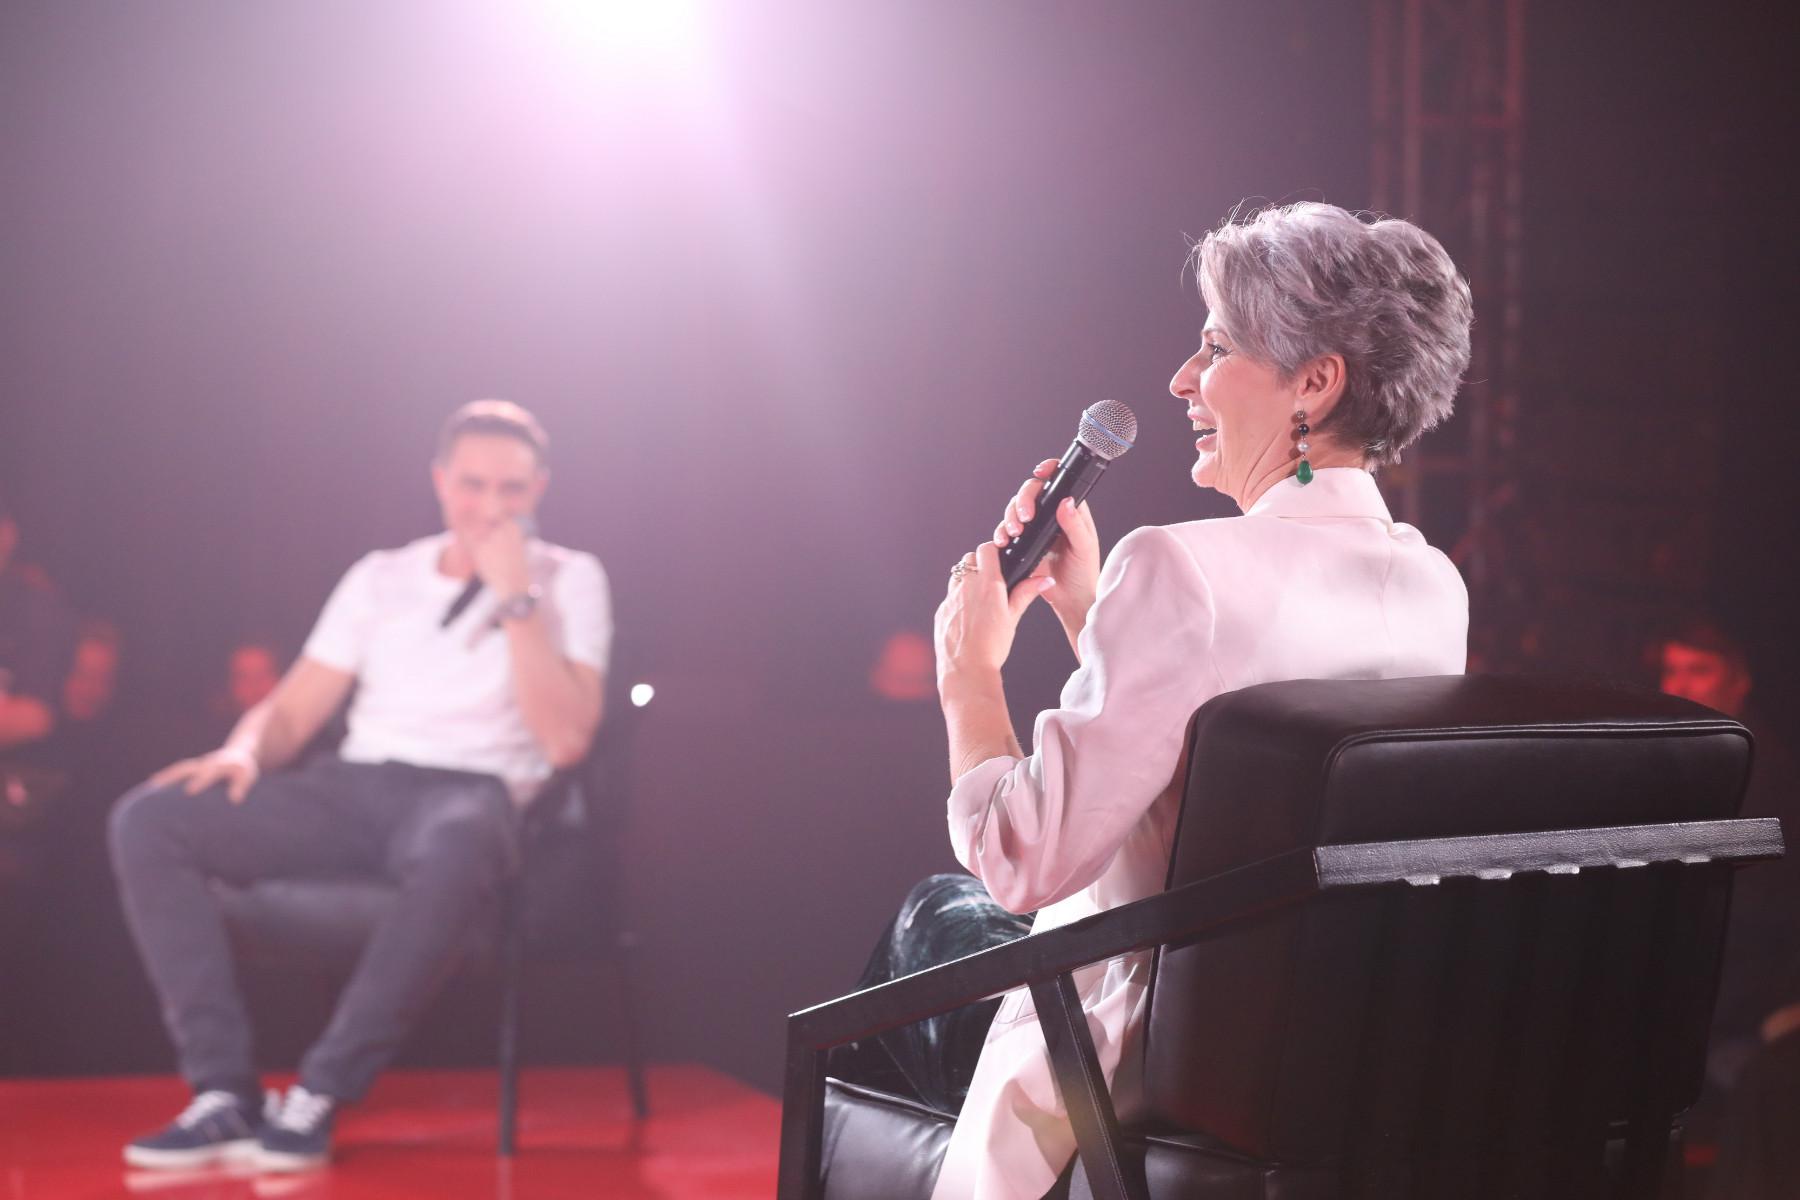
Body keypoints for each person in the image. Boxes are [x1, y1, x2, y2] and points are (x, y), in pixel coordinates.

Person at [837, 202, 1475, 1200]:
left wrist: (967, 674)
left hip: (1131, 1060)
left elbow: (1026, 861)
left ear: (1315, 383)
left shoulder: (1180, 566)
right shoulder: (1435, 585)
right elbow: (1231, 771)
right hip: (1321, 1055)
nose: (1182, 379)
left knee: (934, 915)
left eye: (1215, 348)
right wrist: (1095, 614)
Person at [108, 400, 611, 1173]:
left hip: (471, 794)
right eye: (472, 484)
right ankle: (223, 1092)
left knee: (461, 837)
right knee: (149, 820)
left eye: (511, 488)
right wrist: (244, 751)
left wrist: (516, 598)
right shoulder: (382, 576)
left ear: (539, 488)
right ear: (440, 481)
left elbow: (566, 740)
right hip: (358, 786)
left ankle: (321, 1089)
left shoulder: (571, 578)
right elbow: (295, 707)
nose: (490, 505)